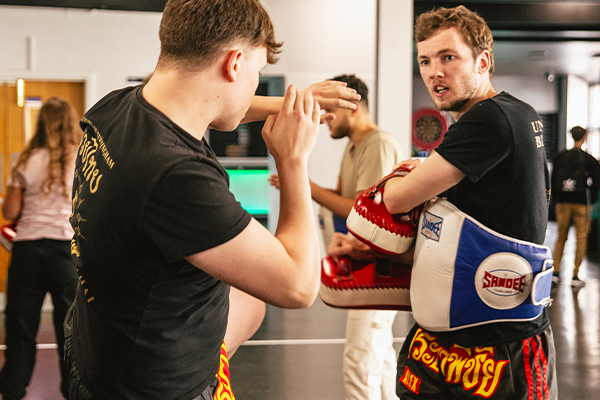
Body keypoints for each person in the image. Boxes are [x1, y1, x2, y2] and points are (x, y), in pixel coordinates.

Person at [63, 0, 360, 399]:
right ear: (234, 64)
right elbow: (298, 286)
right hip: (152, 387)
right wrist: (292, 161)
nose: (256, 84)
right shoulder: (176, 176)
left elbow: (219, 103)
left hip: (96, 347)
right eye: (257, 73)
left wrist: (293, 102)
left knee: (250, 294)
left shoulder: (116, 107)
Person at [329, 6, 557, 399]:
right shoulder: (517, 112)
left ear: (483, 61)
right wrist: (376, 253)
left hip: (497, 344)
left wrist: (402, 183)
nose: (435, 71)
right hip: (452, 342)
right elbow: (467, 232)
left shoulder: (488, 119)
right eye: (425, 60)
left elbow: (397, 199)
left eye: (448, 57)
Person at [272, 73, 401, 400]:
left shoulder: (379, 143)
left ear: (353, 106)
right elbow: (346, 196)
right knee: (379, 354)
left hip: (377, 269)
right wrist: (297, 183)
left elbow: (362, 212)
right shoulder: (355, 146)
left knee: (360, 360)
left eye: (330, 109)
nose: (324, 117)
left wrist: (301, 179)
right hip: (365, 266)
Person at [0, 97, 82, 400]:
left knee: (20, 329)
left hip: (28, 252)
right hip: (65, 251)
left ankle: (12, 391)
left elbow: (10, 211)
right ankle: (72, 393)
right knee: (70, 333)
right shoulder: (82, 158)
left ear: (41, 124)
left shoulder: (26, 159)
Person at [551, 125, 600, 287]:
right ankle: (575, 276)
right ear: (584, 137)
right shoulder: (589, 159)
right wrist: (591, 202)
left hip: (562, 201)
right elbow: (596, 183)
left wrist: (556, 199)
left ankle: (555, 272)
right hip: (581, 203)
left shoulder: (560, 156)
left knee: (561, 235)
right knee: (581, 238)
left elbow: (553, 179)